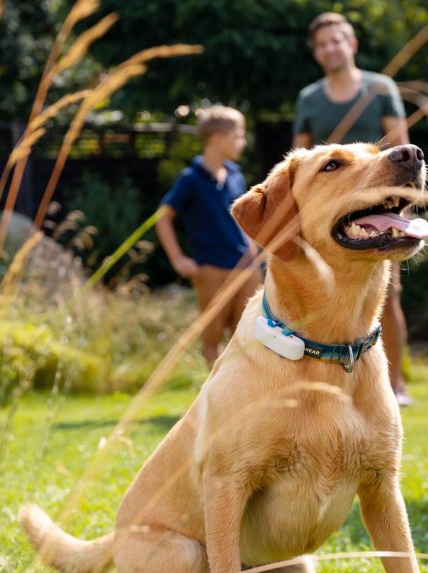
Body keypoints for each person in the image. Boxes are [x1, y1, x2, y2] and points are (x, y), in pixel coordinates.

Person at [291, 11, 414, 407]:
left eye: (336, 40)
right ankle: (322, 384)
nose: (330, 48)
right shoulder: (309, 98)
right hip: (333, 218)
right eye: (322, 44)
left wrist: (399, 205)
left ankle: (393, 384)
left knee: (387, 297)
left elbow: (400, 146)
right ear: (316, 53)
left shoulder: (381, 88)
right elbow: (299, 159)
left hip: (381, 205)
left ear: (352, 44)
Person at [156, 105, 262, 367]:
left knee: (248, 336)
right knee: (212, 339)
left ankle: (246, 398)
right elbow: (163, 217)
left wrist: (255, 253)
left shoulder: (235, 175)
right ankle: (217, 399)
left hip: (246, 269)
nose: (242, 142)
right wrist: (178, 259)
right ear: (217, 139)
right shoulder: (191, 179)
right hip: (211, 269)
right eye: (238, 136)